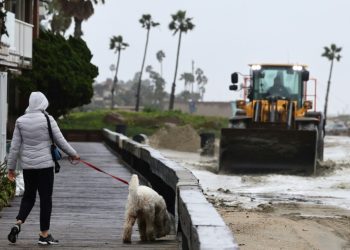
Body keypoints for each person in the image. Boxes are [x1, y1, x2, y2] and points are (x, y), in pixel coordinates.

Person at [6, 92, 80, 245]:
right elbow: (60, 140)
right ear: (43, 103)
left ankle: (18, 223)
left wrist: (11, 168)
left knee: (29, 197)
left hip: (28, 166)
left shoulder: (21, 121)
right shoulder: (47, 119)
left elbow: (14, 147)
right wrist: (73, 154)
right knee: (46, 199)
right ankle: (44, 235)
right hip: (45, 167)